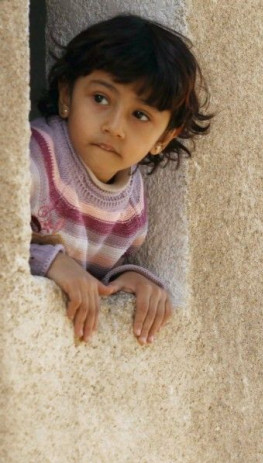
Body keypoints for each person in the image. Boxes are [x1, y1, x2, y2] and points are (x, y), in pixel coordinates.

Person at [29, 14, 211, 345]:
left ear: (165, 137)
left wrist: (130, 279)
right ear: (67, 95)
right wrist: (52, 263)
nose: (115, 126)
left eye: (140, 115)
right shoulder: (35, 155)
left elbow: (98, 272)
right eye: (100, 98)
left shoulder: (131, 205)